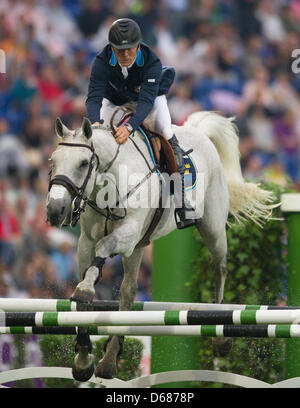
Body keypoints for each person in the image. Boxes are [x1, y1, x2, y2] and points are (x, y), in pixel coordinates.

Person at [86, 18, 197, 228]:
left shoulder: (151, 61)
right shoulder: (101, 61)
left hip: (149, 101)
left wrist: (129, 128)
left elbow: (146, 102)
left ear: (138, 46)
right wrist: (94, 124)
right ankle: (89, 196)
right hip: (115, 101)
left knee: (165, 130)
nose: (126, 55)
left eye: (130, 49)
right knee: (96, 135)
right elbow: (93, 98)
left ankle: (182, 201)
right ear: (111, 48)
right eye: (120, 51)